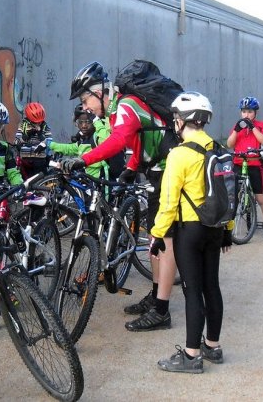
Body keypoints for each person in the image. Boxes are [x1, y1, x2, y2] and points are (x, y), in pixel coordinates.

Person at [61, 61, 175, 332]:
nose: (86, 106)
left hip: (170, 172)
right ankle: (156, 296)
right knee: (156, 239)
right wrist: (132, 168)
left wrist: (83, 159)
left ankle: (161, 311)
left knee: (164, 240)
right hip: (158, 171)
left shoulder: (125, 105)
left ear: (100, 90)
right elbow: (139, 137)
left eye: (86, 98)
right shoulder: (118, 110)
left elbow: (121, 139)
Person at [152, 91, 232, 374]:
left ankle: (191, 355)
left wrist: (157, 234)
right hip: (216, 228)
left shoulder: (179, 154)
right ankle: (213, 345)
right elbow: (228, 193)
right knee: (213, 286)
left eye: (176, 118)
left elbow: (169, 201)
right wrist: (228, 229)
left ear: (182, 121)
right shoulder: (220, 149)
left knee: (192, 291)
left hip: (191, 230)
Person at [227, 96, 263, 240]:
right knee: (233, 195)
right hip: (238, 163)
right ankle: (229, 226)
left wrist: (252, 127)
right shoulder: (237, 127)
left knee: (260, 197)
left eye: (249, 112)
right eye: (244, 112)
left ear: (255, 113)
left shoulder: (261, 125)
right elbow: (230, 144)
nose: (246, 115)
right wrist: (236, 130)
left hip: (254, 164)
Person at [48, 105, 110, 180]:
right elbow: (70, 148)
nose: (84, 126)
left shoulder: (96, 136)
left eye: (88, 122)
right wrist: (49, 144)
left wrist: (97, 121)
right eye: (80, 122)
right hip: (85, 181)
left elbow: (107, 143)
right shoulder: (83, 140)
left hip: (98, 183)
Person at [15, 102, 53, 179]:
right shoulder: (23, 126)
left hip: (40, 161)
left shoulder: (45, 126)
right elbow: (16, 142)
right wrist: (26, 136)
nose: (38, 123)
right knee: (26, 185)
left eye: (40, 121)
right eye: (36, 122)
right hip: (26, 161)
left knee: (40, 184)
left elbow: (50, 143)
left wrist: (40, 135)